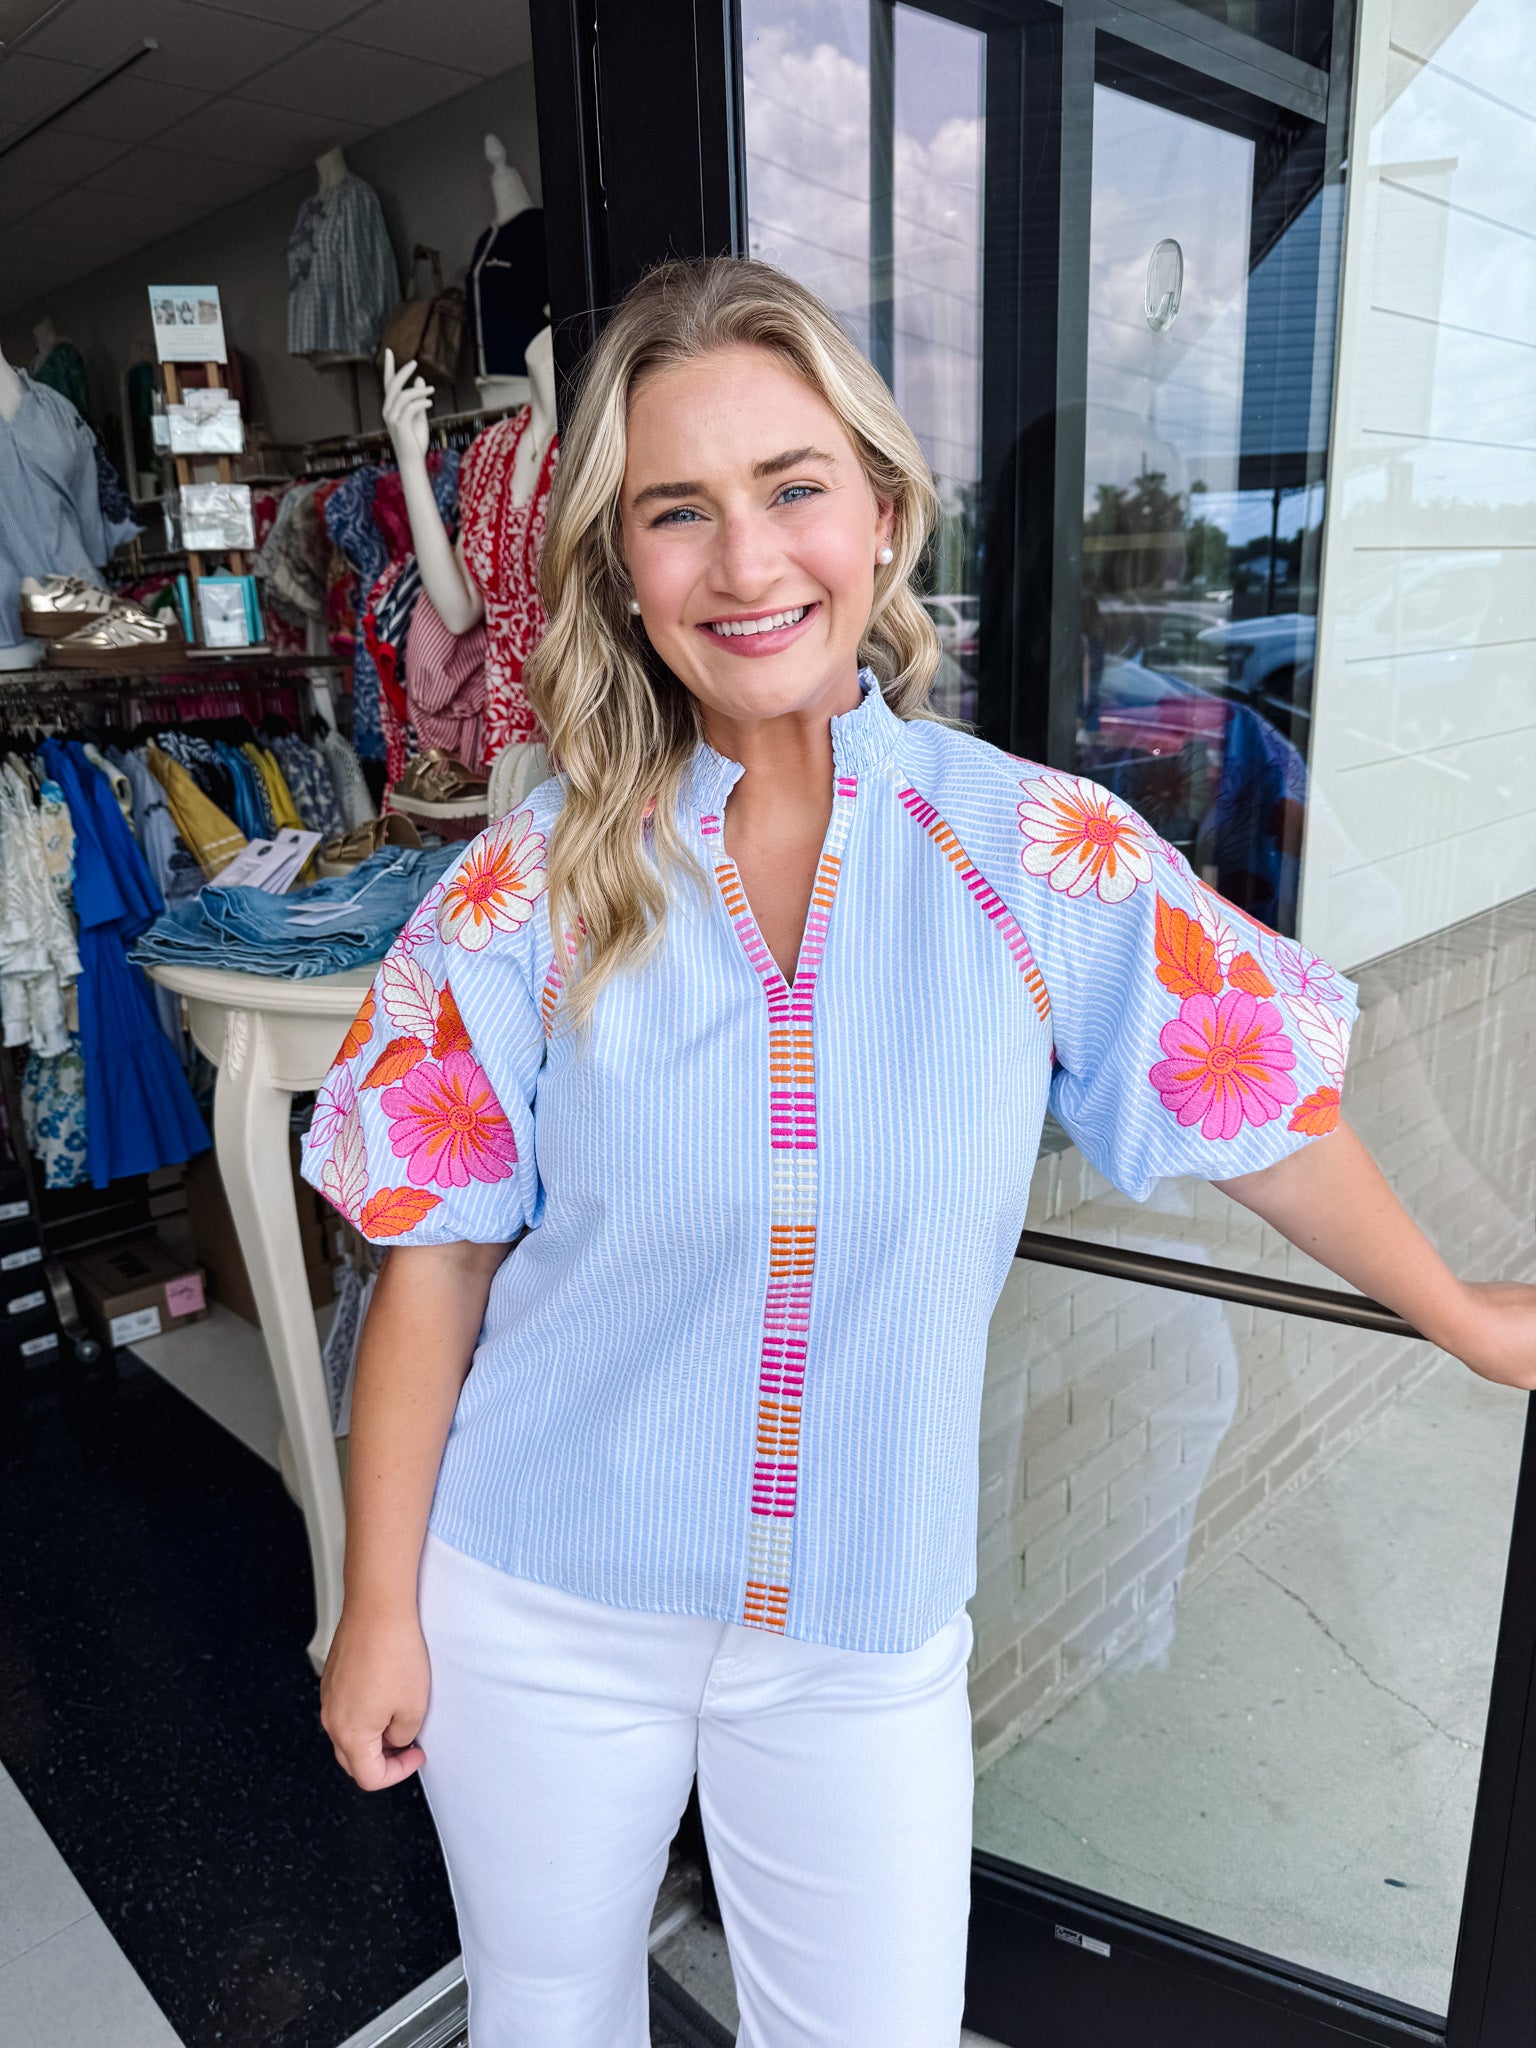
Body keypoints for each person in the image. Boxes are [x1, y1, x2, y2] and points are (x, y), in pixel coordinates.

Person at [301, 258, 1535, 2048]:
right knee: (548, 2012)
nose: (747, 562)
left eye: (793, 487)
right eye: (677, 510)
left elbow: (1256, 1097)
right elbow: (438, 1264)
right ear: (622, 569)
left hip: (859, 1629)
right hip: (537, 1595)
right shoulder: (527, 887)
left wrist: (1462, 1310)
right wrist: (376, 1605)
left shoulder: (1034, 854)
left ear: (881, 513)